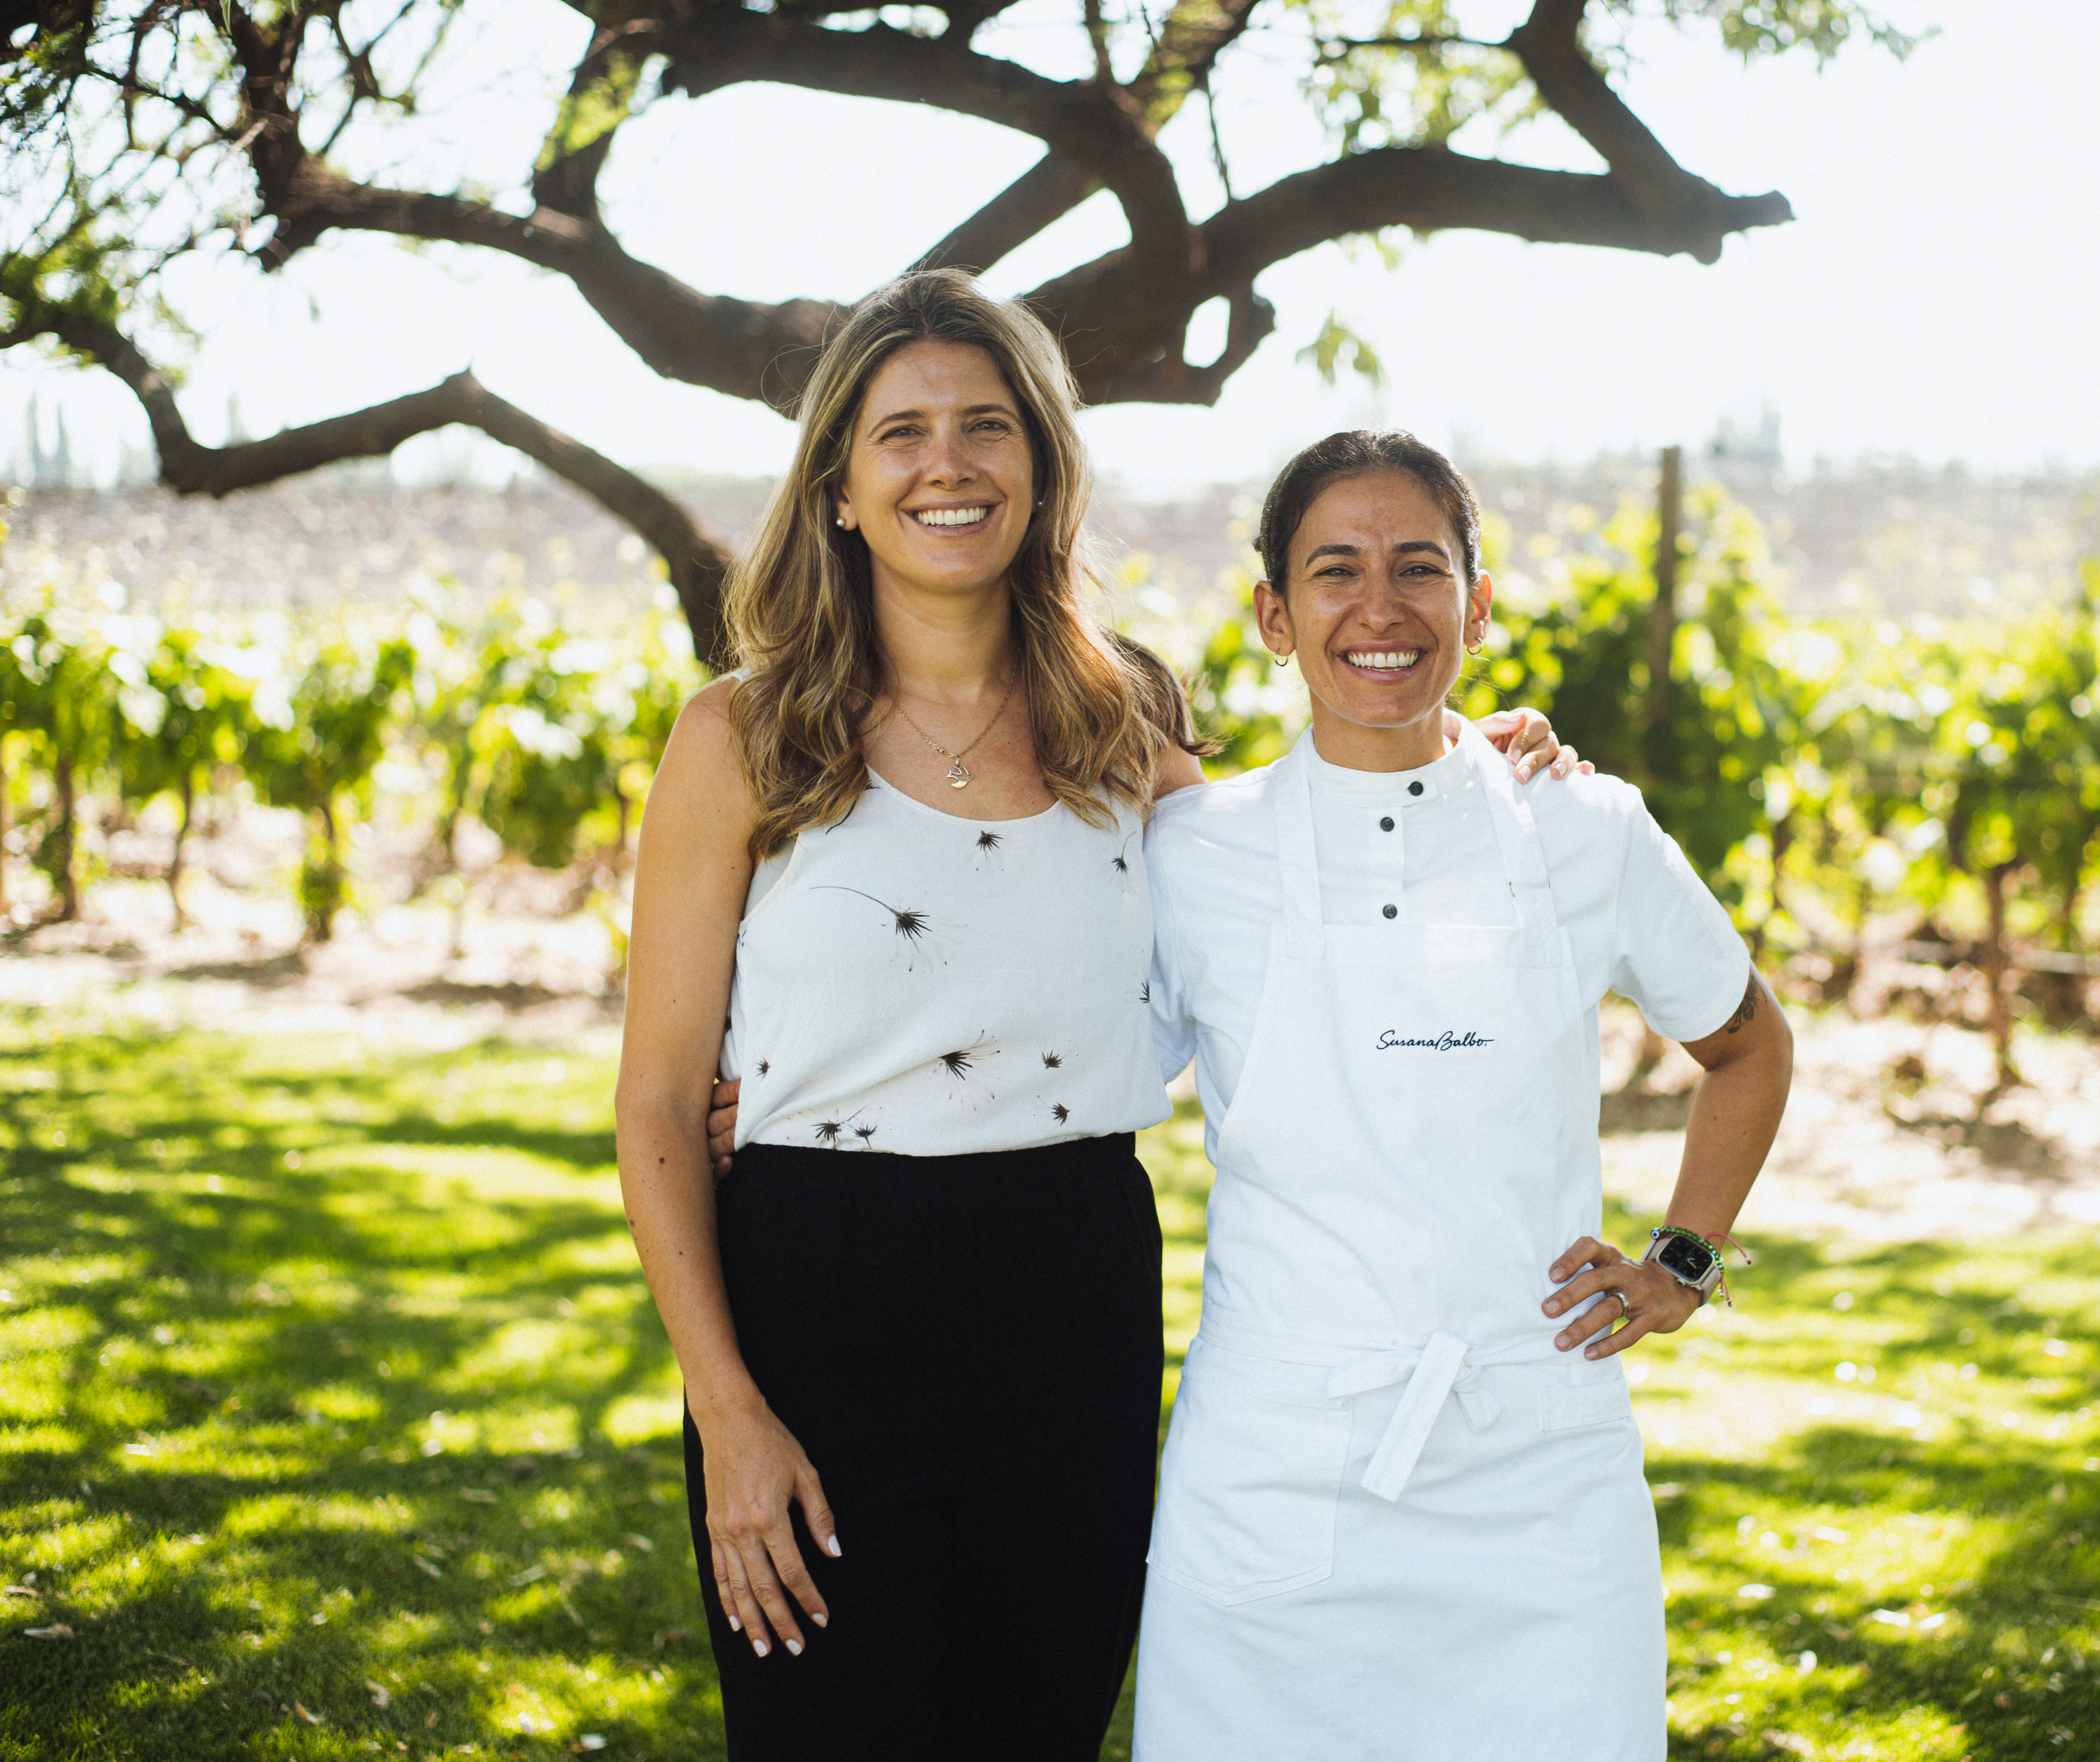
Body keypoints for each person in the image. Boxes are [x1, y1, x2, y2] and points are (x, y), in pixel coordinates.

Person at [621, 271, 1576, 1761]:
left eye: (987, 425)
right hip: (815, 1299)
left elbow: (1295, 880)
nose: (948, 464)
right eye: (902, 432)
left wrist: (1466, 766)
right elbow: (659, 1103)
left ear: (1042, 465)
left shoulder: (1120, 720)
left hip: (1069, 1294)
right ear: (840, 491)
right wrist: (727, 1411)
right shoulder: (740, 735)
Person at [1132, 430, 1795, 1761]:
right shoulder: (1191, 853)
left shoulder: (1585, 827)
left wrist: (1686, 1258)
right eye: (1334, 570)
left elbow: (1750, 1043)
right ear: (1273, 614)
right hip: (1273, 1461)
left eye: (1418, 569)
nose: (1378, 608)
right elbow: (1064, 1077)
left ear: (1477, 604)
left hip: (1539, 1469)